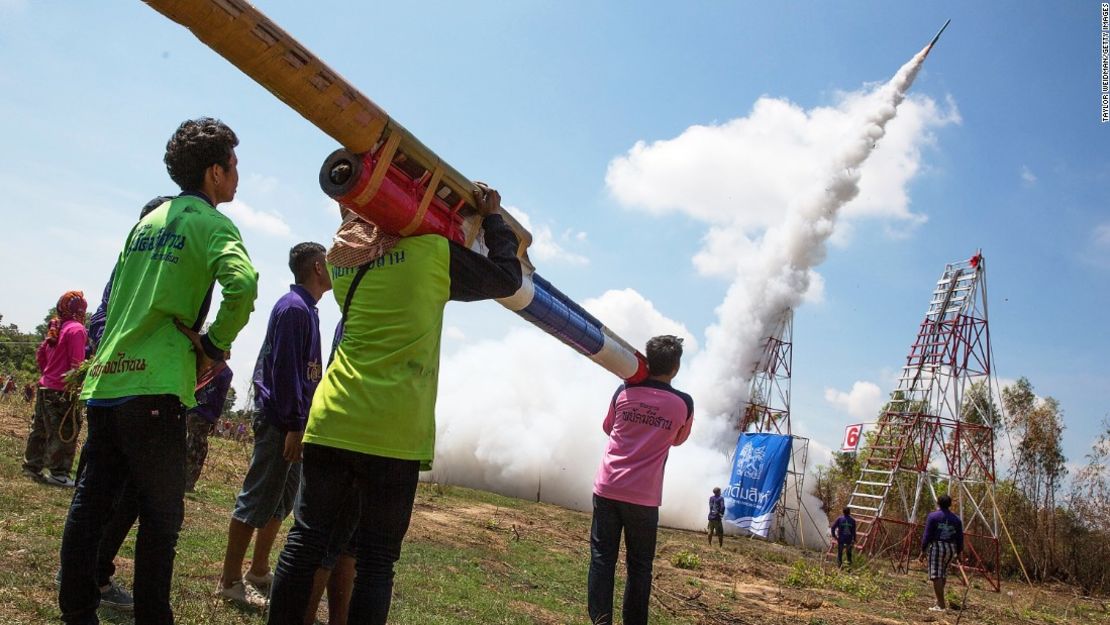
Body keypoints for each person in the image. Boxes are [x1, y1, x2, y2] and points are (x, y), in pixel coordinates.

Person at [266, 183, 523, 625]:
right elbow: (507, 277)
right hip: (394, 429)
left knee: (305, 541)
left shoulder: (342, 258)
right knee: (377, 560)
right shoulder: (434, 254)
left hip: (334, 418)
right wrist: (494, 218)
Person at [59, 117, 258, 625]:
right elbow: (244, 284)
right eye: (234, 166)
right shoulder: (212, 224)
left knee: (90, 505)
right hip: (157, 387)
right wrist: (214, 345)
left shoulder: (147, 222)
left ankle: (77, 612)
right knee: (162, 519)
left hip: (109, 383)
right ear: (215, 172)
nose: (238, 176)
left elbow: (118, 298)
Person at [218, 242, 331, 609]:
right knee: (257, 497)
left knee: (281, 500)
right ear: (317, 267)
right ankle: (230, 580)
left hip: (296, 422)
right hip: (282, 422)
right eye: (330, 263)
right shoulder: (294, 309)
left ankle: (259, 569)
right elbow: (284, 375)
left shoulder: (308, 310)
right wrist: (295, 426)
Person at [588, 335, 693, 625]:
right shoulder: (683, 403)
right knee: (640, 567)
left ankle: (600, 621)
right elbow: (678, 440)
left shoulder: (623, 391)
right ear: (676, 367)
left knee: (602, 558)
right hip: (644, 497)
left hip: (608, 487)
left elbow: (608, 428)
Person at [22, 291, 88, 487]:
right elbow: (77, 364)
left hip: (45, 386)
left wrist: (47, 375)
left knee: (40, 429)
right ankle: (59, 473)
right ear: (80, 310)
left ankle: (31, 467)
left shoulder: (56, 328)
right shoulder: (76, 329)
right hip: (62, 390)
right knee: (64, 430)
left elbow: (41, 354)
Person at [186, 365, 233, 492]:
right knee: (197, 448)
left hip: (191, 409)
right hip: (204, 413)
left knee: (192, 443)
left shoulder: (203, 363)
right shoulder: (225, 372)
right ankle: (187, 483)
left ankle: (183, 480)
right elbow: (220, 397)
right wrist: (215, 417)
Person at [918, 494, 964, 612]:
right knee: (942, 574)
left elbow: (927, 535)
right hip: (950, 548)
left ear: (938, 503)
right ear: (950, 504)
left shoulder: (933, 517)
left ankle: (941, 605)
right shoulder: (956, 519)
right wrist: (959, 552)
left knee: (936, 575)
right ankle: (939, 601)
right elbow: (959, 537)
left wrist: (923, 550)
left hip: (938, 546)